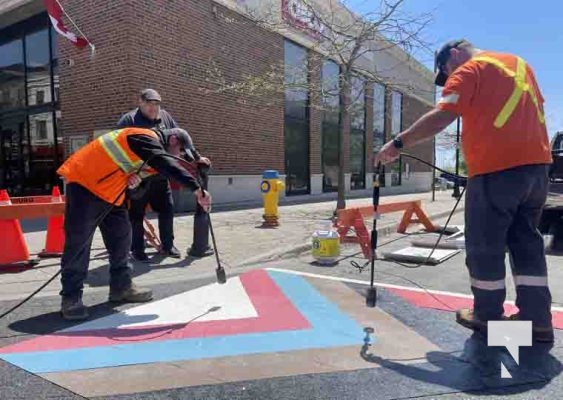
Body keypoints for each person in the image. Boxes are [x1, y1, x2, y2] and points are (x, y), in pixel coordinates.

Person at [375, 39, 554, 342]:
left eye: (446, 70)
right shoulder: (519, 65)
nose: (448, 75)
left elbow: (443, 115)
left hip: (497, 171)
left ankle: (488, 317)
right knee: (526, 243)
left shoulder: (471, 69)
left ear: (454, 54)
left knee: (485, 245)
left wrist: (397, 144)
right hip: (536, 170)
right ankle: (536, 323)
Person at [57, 127, 211, 320]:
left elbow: (139, 192)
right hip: (85, 184)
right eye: (180, 151)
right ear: (172, 140)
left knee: (122, 238)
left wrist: (135, 184)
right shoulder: (142, 136)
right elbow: (164, 162)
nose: (180, 156)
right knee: (79, 243)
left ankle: (121, 288)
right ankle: (71, 298)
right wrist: (196, 189)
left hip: (113, 194)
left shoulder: (151, 159)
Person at [117, 89, 210, 261]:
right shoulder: (128, 120)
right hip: (139, 178)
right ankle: (137, 250)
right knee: (136, 214)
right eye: (149, 104)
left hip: (161, 175)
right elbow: (119, 151)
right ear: (140, 103)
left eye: (156, 104)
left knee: (167, 210)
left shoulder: (165, 117)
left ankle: (168, 246)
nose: (153, 108)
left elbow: (180, 136)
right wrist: (127, 174)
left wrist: (196, 158)